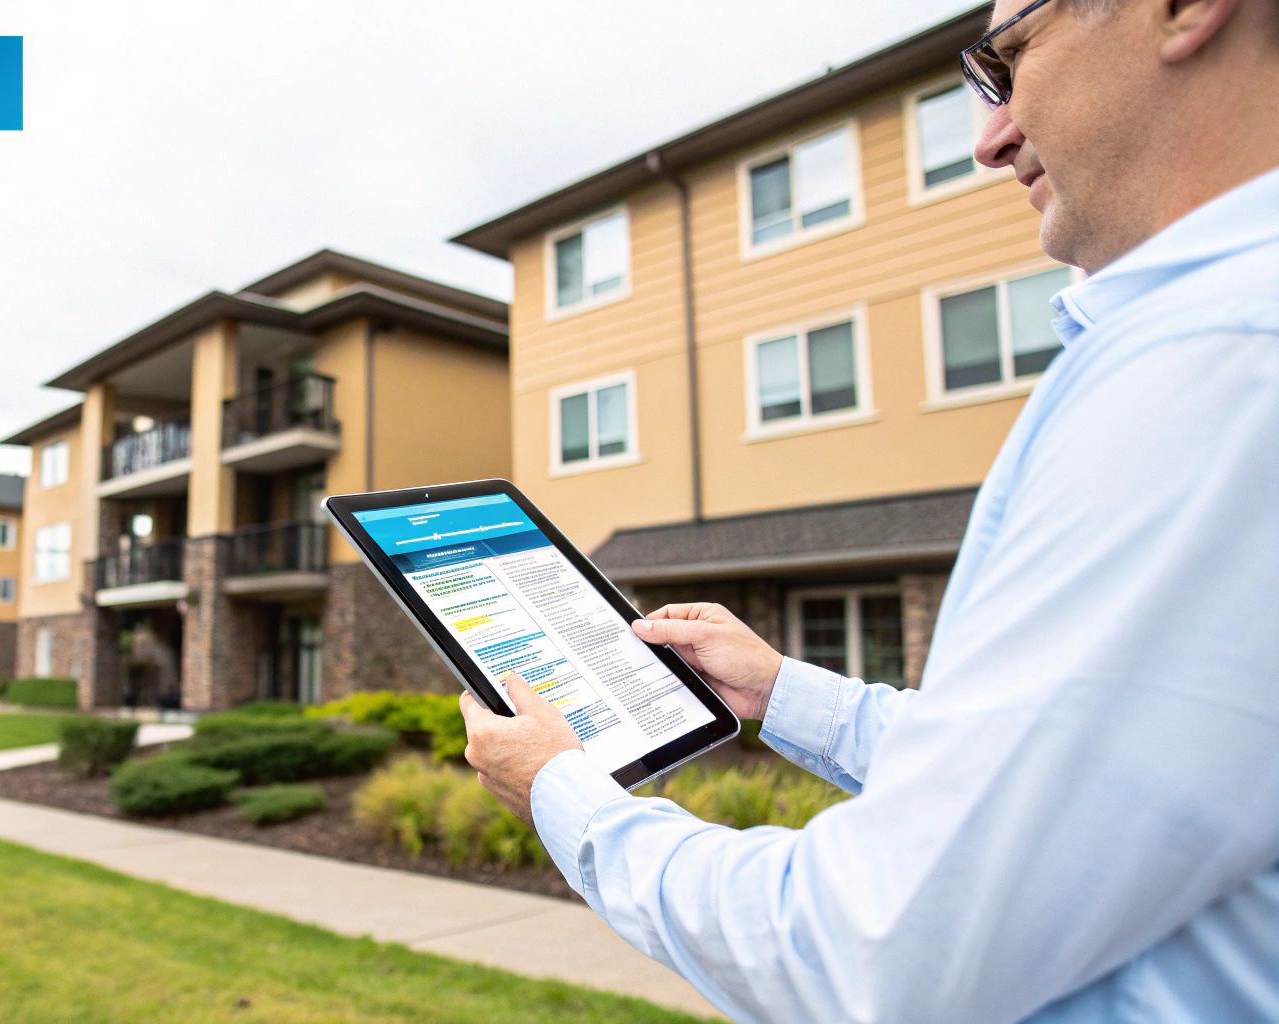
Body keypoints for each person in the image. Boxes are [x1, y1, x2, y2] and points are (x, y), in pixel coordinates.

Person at [460, 0, 1279, 1020]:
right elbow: (1059, 781)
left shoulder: (1215, 365)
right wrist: (782, 690)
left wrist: (561, 792)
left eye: (1005, 59)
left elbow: (870, 948)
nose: (987, 139)